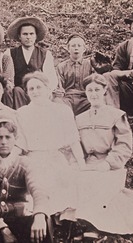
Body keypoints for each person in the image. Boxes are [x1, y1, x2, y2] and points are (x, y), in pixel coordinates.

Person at [75, 73, 133, 235]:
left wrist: (108, 163)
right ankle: (79, 224)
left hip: (109, 165)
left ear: (105, 90)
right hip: (86, 164)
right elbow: (74, 145)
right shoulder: (79, 118)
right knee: (77, 181)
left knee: (100, 187)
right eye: (89, 90)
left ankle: (96, 228)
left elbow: (124, 145)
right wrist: (79, 163)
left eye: (97, 90)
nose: (93, 94)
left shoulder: (115, 115)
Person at [0, 115, 53, 243]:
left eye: (8, 137)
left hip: (18, 220)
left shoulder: (24, 164)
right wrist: (2, 228)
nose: (4, 142)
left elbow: (38, 189)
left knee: (42, 222)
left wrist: (40, 214)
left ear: (15, 139)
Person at [16, 71, 86, 216]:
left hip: (55, 158)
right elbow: (19, 143)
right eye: (31, 89)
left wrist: (82, 163)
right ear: (27, 93)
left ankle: (64, 220)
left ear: (48, 89)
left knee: (66, 186)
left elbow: (73, 139)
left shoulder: (62, 110)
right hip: (32, 160)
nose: (35, 91)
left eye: (38, 87)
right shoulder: (22, 113)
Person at [54, 33, 119, 115]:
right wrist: (59, 91)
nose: (76, 48)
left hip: (86, 98)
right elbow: (59, 85)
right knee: (57, 103)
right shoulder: (61, 66)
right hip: (67, 98)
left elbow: (96, 81)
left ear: (84, 49)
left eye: (79, 46)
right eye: (73, 46)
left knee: (100, 104)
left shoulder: (91, 64)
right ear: (68, 48)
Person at [6, 17, 58, 98]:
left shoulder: (45, 54)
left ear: (36, 36)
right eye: (25, 34)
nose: (28, 37)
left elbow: (51, 77)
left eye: (31, 34)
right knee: (17, 91)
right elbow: (8, 76)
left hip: (37, 92)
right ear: (19, 36)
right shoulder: (10, 53)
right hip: (18, 93)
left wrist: (47, 90)